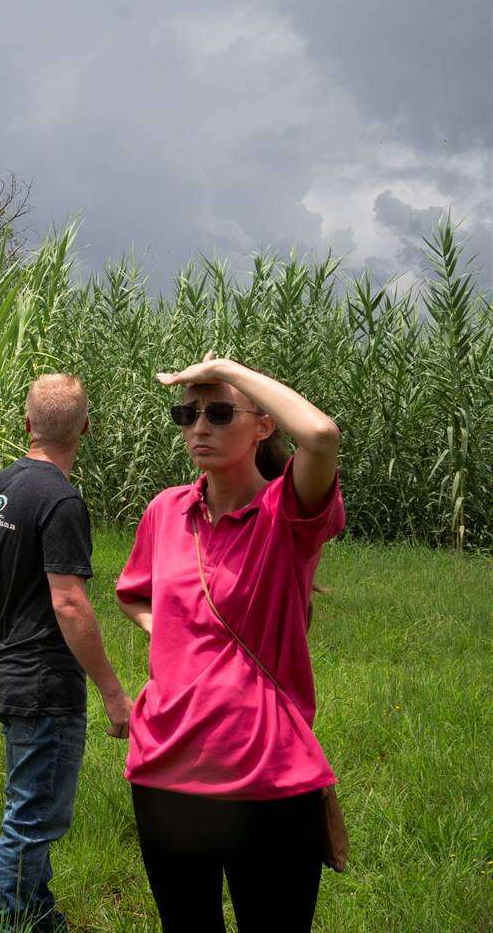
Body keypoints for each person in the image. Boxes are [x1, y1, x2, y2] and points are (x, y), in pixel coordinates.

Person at [115, 353, 344, 932]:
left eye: (219, 413)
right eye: (187, 414)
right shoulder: (166, 512)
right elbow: (133, 594)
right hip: (166, 772)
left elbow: (319, 435)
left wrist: (226, 367)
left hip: (267, 776)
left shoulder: (284, 513)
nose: (199, 428)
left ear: (263, 423)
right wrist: (174, 629)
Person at [0, 373, 134, 933]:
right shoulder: (62, 501)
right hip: (44, 685)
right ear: (86, 428)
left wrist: (5, 642)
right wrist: (115, 693)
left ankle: (39, 918)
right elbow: (70, 603)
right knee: (33, 818)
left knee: (32, 804)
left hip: (5, 672)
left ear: (27, 424)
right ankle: (6, 925)